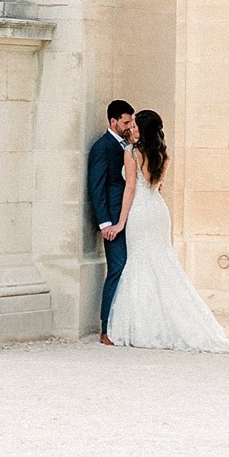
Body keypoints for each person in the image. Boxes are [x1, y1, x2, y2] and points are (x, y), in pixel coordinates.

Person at [106, 110, 229, 354]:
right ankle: (176, 321)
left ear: (142, 129)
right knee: (163, 263)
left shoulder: (132, 152)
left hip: (140, 212)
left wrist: (121, 223)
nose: (132, 129)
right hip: (157, 210)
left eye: (135, 126)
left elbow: (131, 189)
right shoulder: (164, 153)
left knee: (141, 264)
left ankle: (145, 326)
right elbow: (157, 184)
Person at [87, 99, 135, 346]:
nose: (129, 126)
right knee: (116, 268)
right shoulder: (102, 147)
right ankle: (106, 327)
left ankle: (126, 323)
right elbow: (97, 187)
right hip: (113, 220)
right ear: (113, 121)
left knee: (129, 268)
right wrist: (105, 223)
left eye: (131, 122)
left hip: (130, 218)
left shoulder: (129, 145)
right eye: (125, 122)